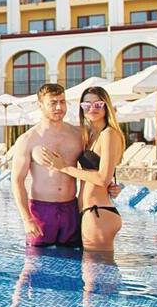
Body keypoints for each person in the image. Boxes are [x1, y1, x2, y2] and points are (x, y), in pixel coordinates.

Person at [36, 87, 125, 250]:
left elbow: (102, 178)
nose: (92, 108)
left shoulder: (109, 134)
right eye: (86, 105)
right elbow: (102, 174)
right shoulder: (90, 135)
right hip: (90, 212)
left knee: (97, 265)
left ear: (106, 106)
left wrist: (64, 167)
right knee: (95, 265)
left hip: (98, 213)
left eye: (98, 104)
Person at [10, 83, 84, 247]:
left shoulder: (78, 135)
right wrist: (27, 219)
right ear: (40, 105)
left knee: (74, 258)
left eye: (62, 102)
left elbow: (93, 166)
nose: (59, 107)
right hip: (41, 211)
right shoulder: (28, 139)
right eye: (53, 103)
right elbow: (17, 181)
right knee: (36, 259)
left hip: (71, 209)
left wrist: (109, 184)